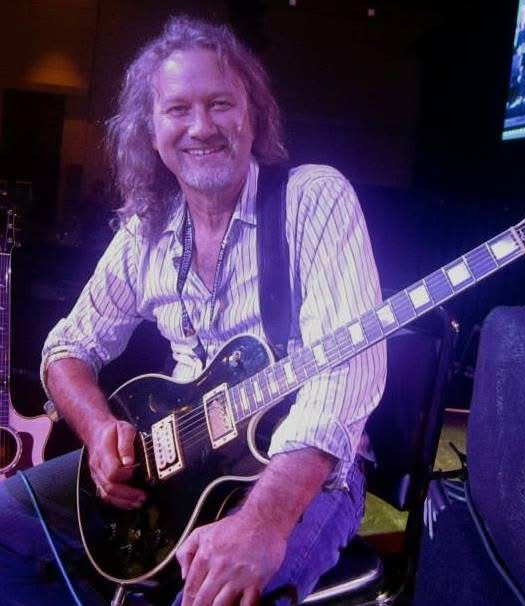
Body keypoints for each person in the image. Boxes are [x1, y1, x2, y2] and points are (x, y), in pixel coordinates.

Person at [0, 16, 386, 606]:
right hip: (174, 463)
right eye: (178, 109)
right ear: (150, 131)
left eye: (221, 104)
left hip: (300, 467)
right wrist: (99, 430)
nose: (201, 126)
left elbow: (348, 370)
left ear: (251, 115)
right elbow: (67, 347)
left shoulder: (313, 197)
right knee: (6, 518)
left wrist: (265, 523)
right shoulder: (145, 229)